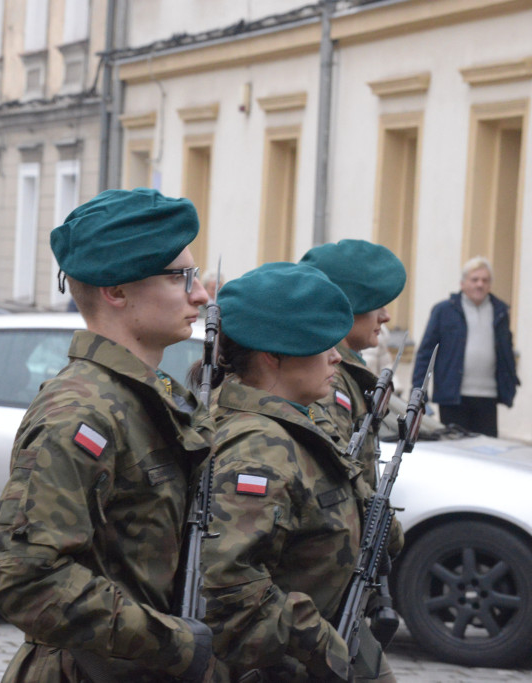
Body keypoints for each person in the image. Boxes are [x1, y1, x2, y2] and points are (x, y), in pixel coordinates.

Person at [0, 188, 216, 682]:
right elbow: (28, 579)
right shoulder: (80, 412)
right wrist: (174, 642)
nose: (200, 294)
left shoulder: (153, 397)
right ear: (116, 290)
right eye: (181, 277)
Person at [201, 262, 396, 682]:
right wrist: (320, 642)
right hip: (288, 663)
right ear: (274, 355)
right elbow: (228, 586)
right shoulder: (257, 447)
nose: (334, 356)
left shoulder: (293, 424)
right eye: (321, 343)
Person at [300, 239, 407, 486]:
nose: (386, 316)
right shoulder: (328, 376)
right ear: (347, 307)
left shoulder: (345, 371)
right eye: (375, 304)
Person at [411, 257, 519, 437]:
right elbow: (426, 353)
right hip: (453, 396)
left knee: (486, 451)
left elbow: (506, 351)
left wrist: (510, 385)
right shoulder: (444, 311)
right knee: (456, 449)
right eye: (474, 279)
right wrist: (419, 392)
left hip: (488, 396)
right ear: (462, 283)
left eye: (485, 280)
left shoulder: (499, 311)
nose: (480, 285)